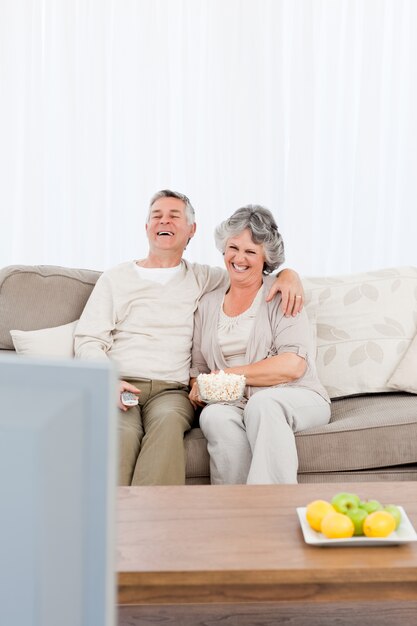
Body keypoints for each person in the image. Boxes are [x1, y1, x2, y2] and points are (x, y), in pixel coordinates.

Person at [74, 190, 305, 486]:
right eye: (156, 215)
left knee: (168, 425)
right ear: (147, 227)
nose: (164, 221)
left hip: (171, 390)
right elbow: (88, 339)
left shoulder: (204, 277)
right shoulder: (115, 278)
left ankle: (155, 521)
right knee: (122, 432)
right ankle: (108, 523)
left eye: (174, 215)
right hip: (121, 383)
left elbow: (251, 273)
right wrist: (107, 380)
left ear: (191, 230)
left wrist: (289, 275)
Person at [189, 205, 331, 485]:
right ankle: (237, 514)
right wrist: (200, 387)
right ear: (223, 249)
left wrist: (227, 375)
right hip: (233, 400)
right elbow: (199, 369)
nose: (239, 258)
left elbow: (293, 365)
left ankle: (272, 509)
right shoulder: (206, 304)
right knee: (214, 416)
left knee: (263, 405)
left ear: (266, 258)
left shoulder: (282, 294)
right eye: (233, 248)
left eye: (251, 252)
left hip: (294, 394)